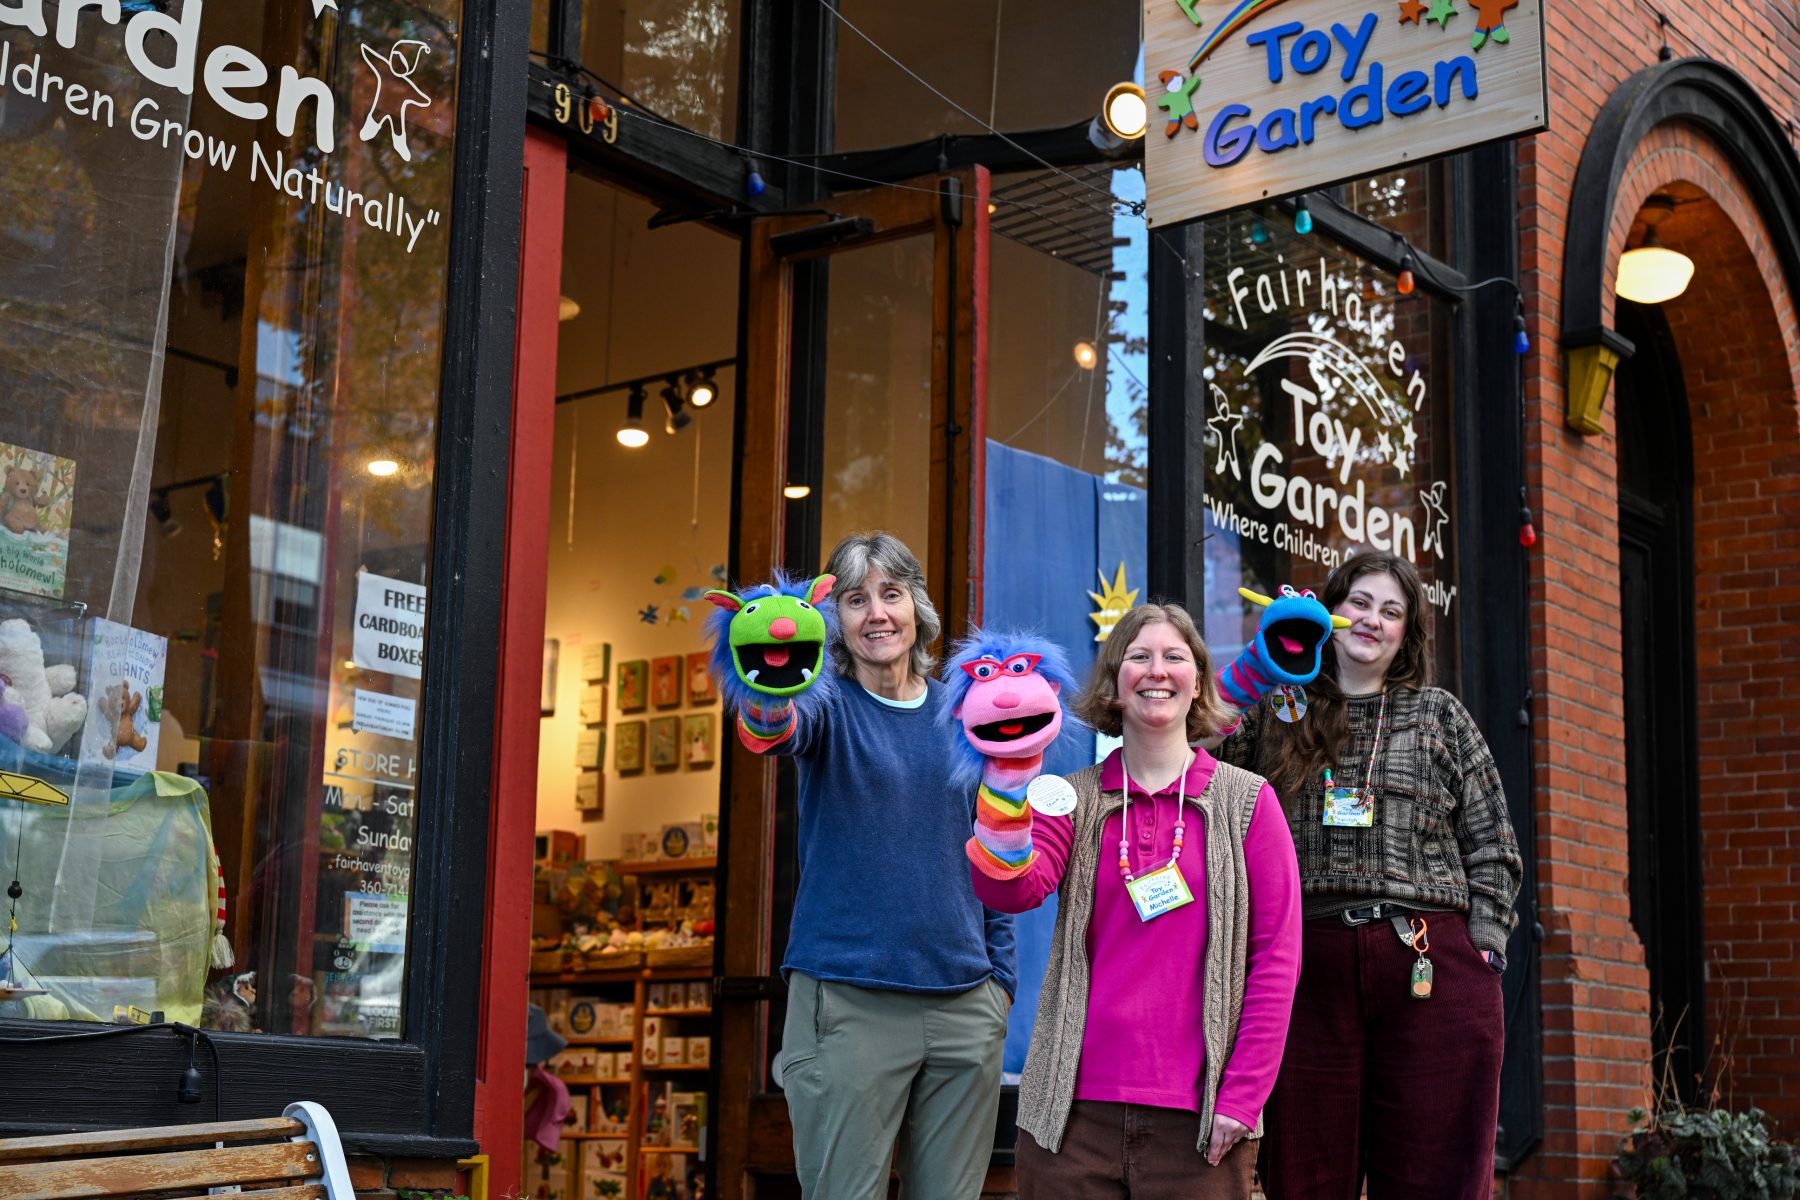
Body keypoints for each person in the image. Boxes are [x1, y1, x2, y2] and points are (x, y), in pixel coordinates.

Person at [1212, 550, 1523, 1199]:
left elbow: (1493, 843)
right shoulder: (1276, 710)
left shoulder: (1440, 715)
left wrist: (1485, 947)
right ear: (1330, 609)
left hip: (1430, 966)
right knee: (1305, 1171)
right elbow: (1195, 747)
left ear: (1406, 634)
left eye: (1391, 611)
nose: (1372, 621)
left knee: (1432, 1174)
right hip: (1304, 968)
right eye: (1359, 603)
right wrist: (1257, 662)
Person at [974, 602, 1300, 1200]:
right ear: (1114, 682)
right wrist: (1006, 783)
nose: (1157, 670)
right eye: (1139, 656)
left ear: (1198, 679)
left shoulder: (1249, 804)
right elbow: (1010, 889)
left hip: (1201, 1126)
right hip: (1069, 1119)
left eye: (1175, 657)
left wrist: (1244, 1098)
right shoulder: (1069, 798)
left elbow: (1276, 961)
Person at [727, 532, 1015, 1200]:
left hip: (964, 1005)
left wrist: (1000, 981)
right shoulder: (824, 706)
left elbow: (997, 845)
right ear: (835, 620)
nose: (876, 613)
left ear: (917, 606)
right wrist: (767, 682)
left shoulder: (965, 711)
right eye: (855, 599)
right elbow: (772, 727)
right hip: (850, 1004)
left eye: (891, 594)